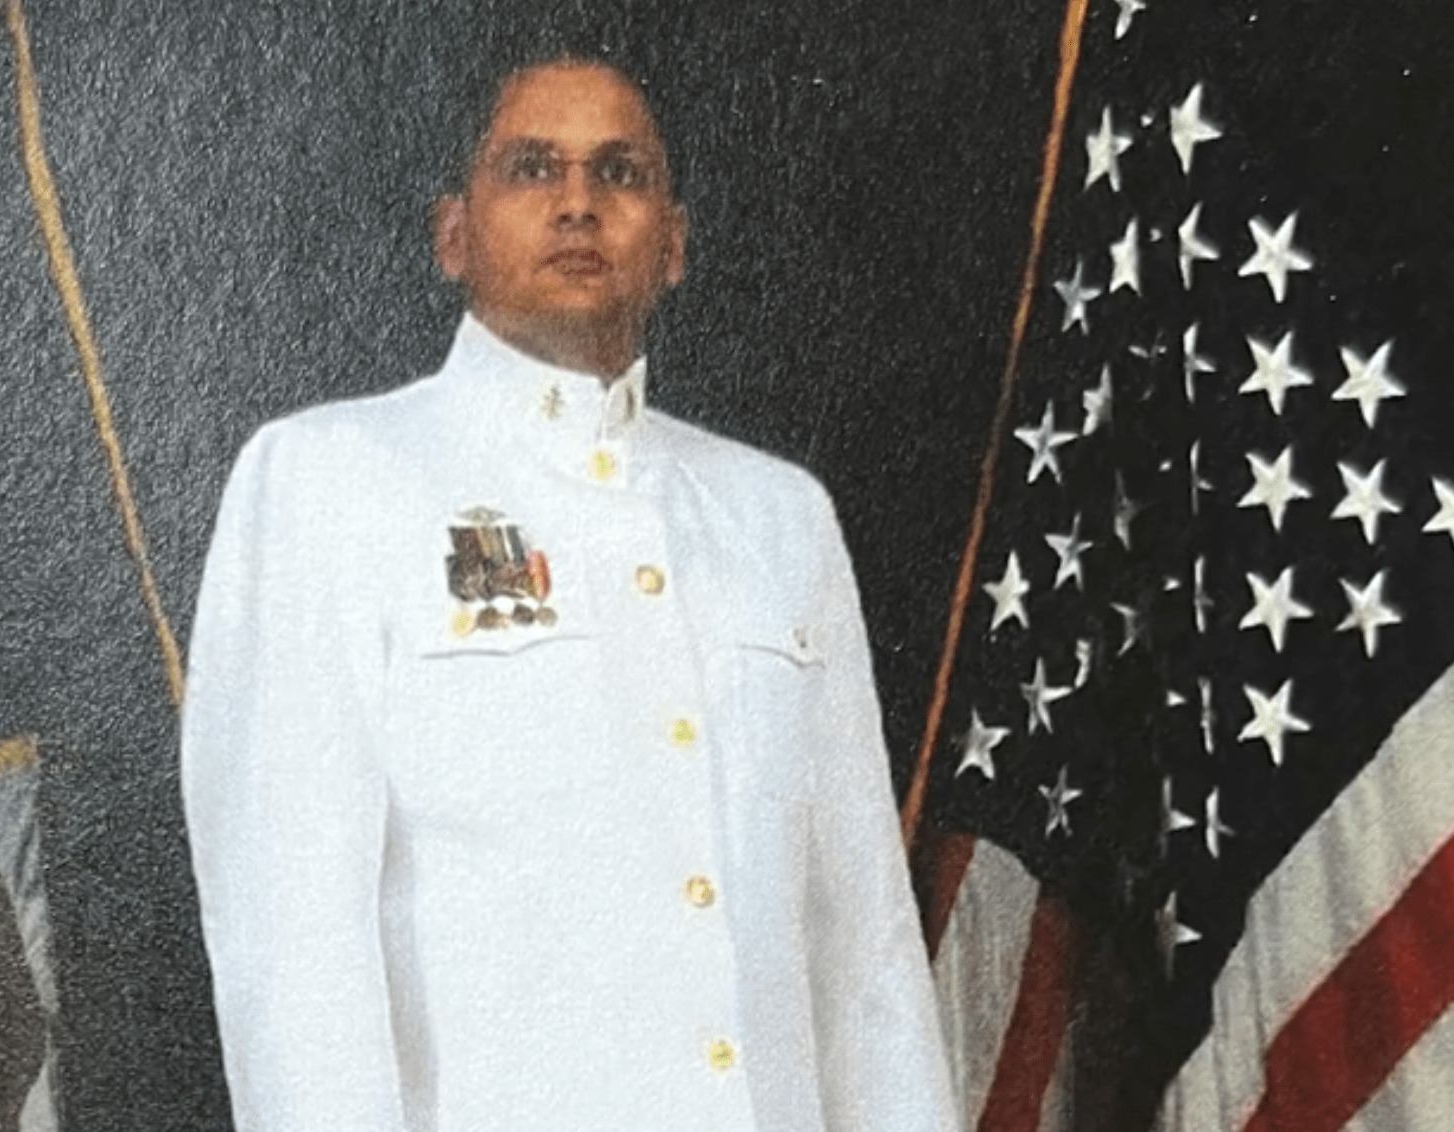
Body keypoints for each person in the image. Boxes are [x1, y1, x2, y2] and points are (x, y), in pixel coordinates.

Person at [180, 54, 958, 1132]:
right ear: (453, 233)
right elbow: (293, 945)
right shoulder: (330, 480)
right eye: (532, 168)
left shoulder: (778, 517)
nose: (579, 202)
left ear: (675, 245)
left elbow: (862, 952)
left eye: (621, 173)